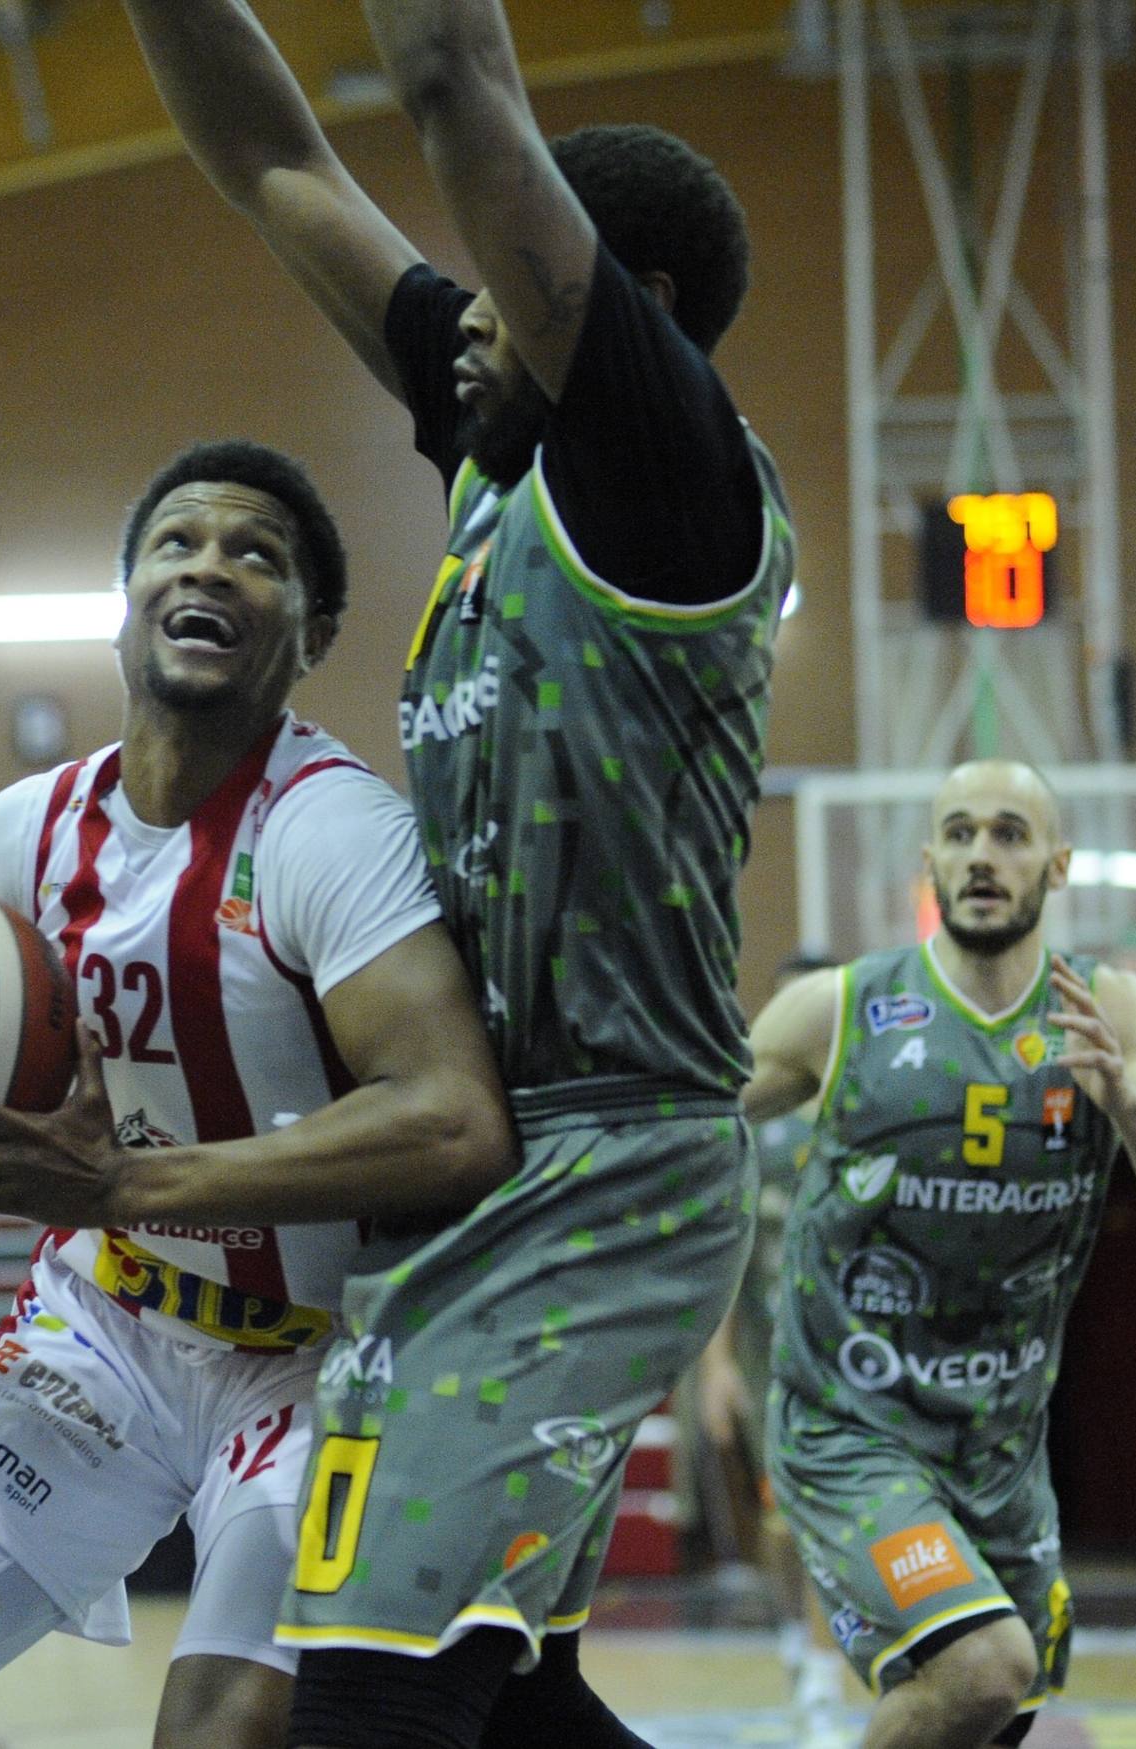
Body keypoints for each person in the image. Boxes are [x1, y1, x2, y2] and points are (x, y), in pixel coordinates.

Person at [120, 2, 793, 1743]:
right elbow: (274, 162)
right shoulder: (502, 444)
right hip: (492, 1152)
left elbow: (450, 74)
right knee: (508, 1704)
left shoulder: (661, 467)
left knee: (367, 1695)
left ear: (617, 306)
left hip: (614, 1157)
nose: (455, 317)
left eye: (498, 282)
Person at [0, 440, 517, 1749]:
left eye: (255, 554)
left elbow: (457, 1122)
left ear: (313, 633)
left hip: (327, 1362)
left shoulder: (331, 831)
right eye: (178, 543)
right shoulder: (25, 830)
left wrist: (126, 1184)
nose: (208, 565)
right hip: (103, 1331)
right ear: (126, 606)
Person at [741, 760, 1136, 1749]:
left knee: (1000, 1708)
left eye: (1009, 833)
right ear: (930, 860)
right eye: (959, 834)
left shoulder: (1113, 1013)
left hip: (1000, 1446)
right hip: (850, 1426)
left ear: (1058, 864)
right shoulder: (840, 1008)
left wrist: (1126, 1103)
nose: (981, 855)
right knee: (983, 1667)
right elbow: (684, 1123)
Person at [695, 950, 841, 1721]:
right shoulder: (751, 1125)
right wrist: (716, 1364)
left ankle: (825, 1662)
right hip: (769, 1349)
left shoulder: (870, 1108)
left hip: (855, 1356)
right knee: (781, 1523)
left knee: (825, 1514)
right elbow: (727, 1247)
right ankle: (799, 1636)